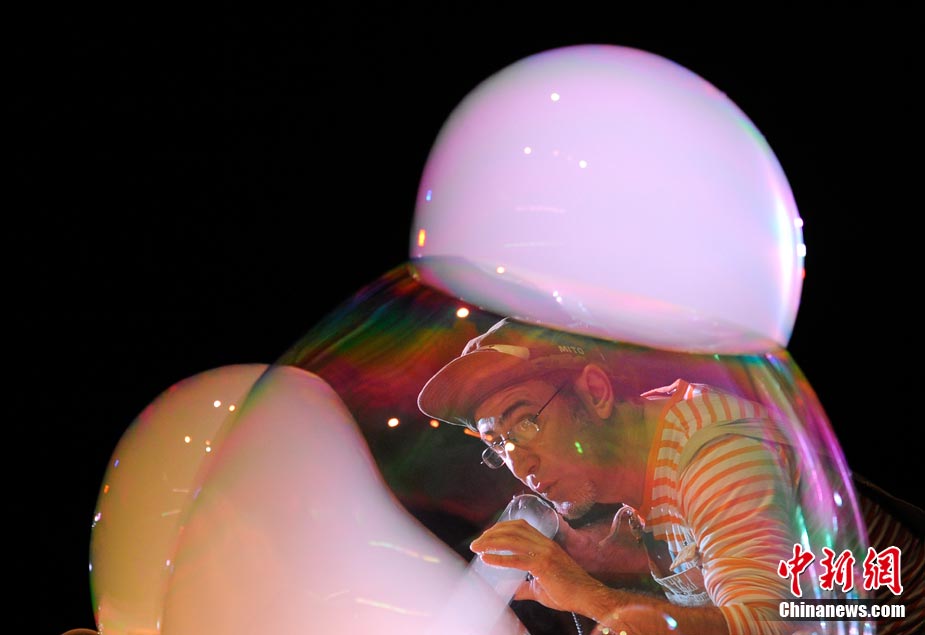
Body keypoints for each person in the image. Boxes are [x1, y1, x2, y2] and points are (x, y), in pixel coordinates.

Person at [417, 317, 923, 635]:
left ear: (595, 392)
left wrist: (592, 597)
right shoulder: (643, 458)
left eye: (527, 422)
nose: (519, 464)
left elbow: (772, 624)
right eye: (498, 443)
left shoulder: (715, 452)